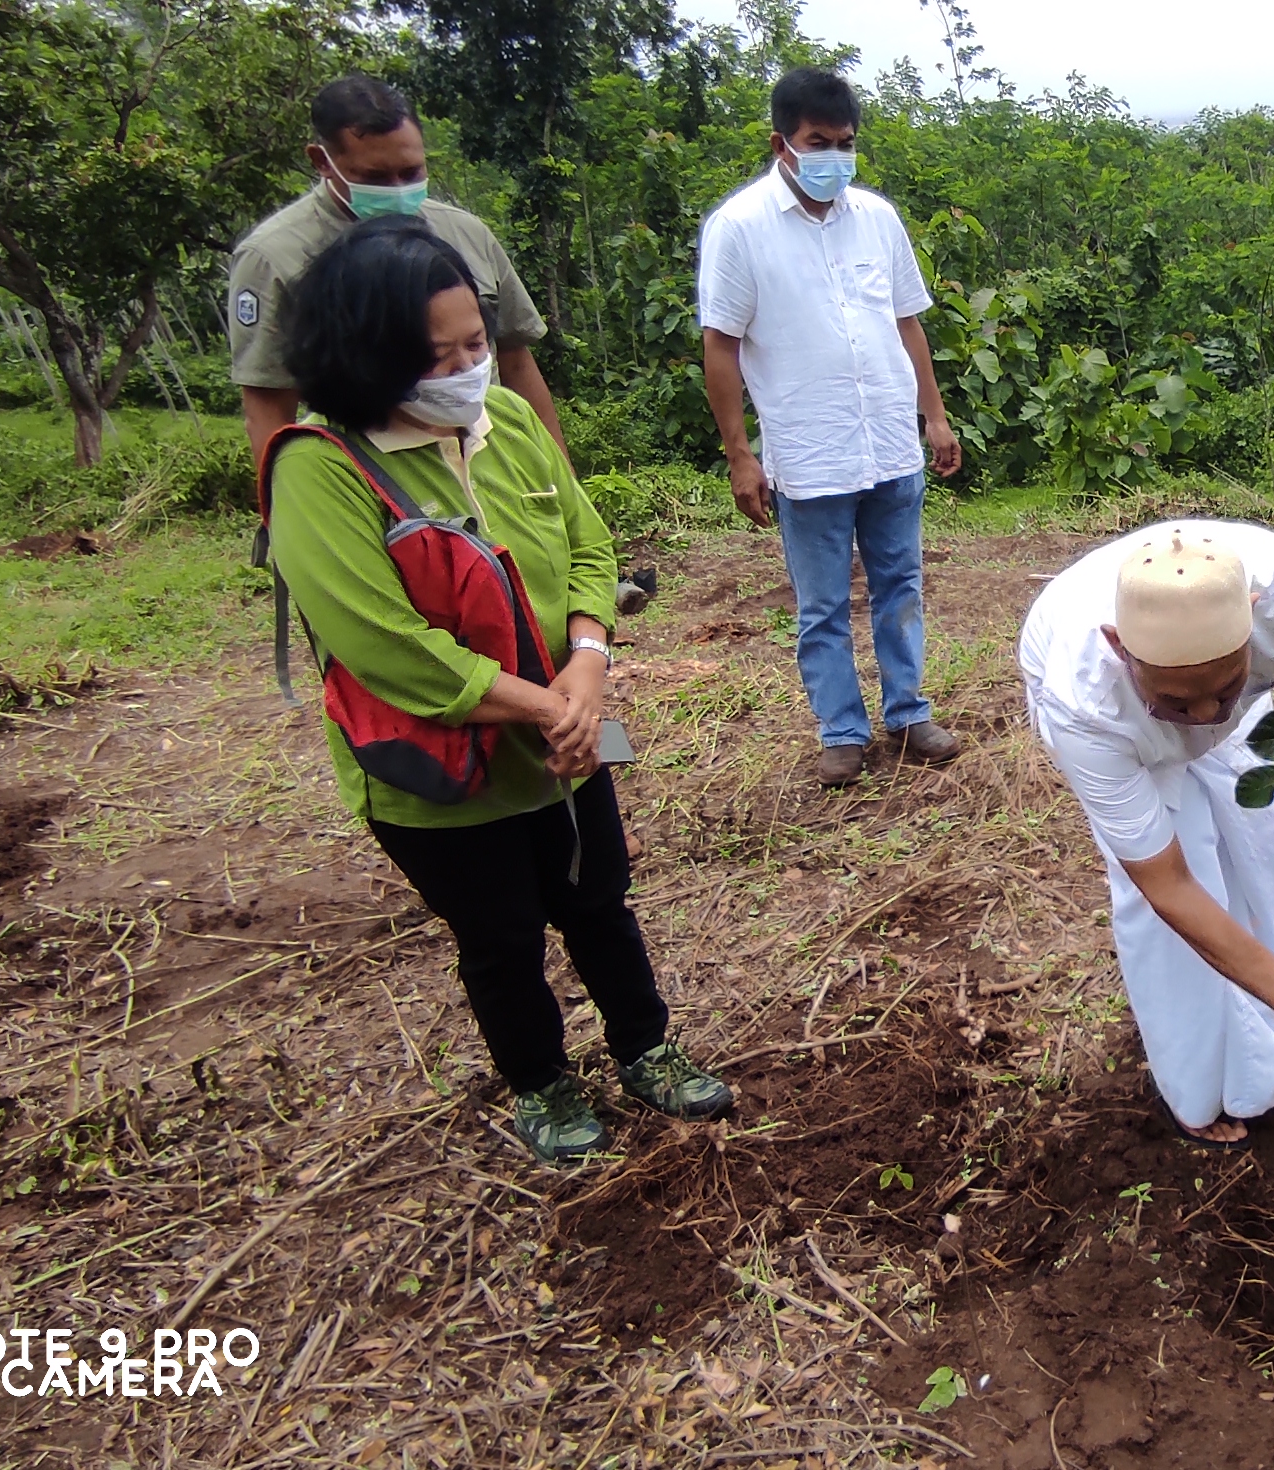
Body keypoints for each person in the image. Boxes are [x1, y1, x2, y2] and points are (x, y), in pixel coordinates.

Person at [263, 215, 731, 1163]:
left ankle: (646, 1048)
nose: (468, 367)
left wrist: (588, 668)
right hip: (442, 766)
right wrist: (549, 707)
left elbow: (592, 547)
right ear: (366, 354)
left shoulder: (508, 423)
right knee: (501, 934)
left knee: (601, 896)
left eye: (476, 343)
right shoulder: (321, 470)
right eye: (438, 354)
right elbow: (387, 649)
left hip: (567, 726)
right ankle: (542, 1084)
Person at [1019, 523, 1274, 1147]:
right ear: (1117, 645)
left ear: (1252, 617)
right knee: (1179, 897)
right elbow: (1167, 885)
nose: (1204, 720)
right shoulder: (1083, 704)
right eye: (1178, 703)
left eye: (1223, 690)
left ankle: (1267, 1054)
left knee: (1266, 844)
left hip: (1203, 690)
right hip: (1128, 734)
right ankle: (1194, 1089)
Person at [697, 66, 964, 788]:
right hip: (808, 451)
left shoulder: (876, 217)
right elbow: (719, 345)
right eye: (820, 142)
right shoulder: (740, 229)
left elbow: (905, 322)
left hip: (888, 441)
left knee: (900, 585)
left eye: (846, 143)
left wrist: (933, 416)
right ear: (781, 140)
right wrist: (740, 455)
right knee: (821, 606)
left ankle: (909, 714)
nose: (834, 158)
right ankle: (841, 731)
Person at [227, 74, 566, 469]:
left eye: (411, 173)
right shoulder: (274, 256)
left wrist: (561, 479)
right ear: (322, 161)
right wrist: (285, 513)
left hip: (490, 461)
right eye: (375, 177)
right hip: (371, 480)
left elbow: (517, 360)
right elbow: (268, 407)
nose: (398, 189)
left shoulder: (465, 233)